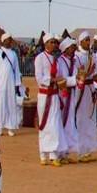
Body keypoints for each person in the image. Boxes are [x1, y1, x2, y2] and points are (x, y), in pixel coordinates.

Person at [34, 34, 66, 166]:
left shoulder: (55, 59)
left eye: (55, 42)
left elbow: (60, 77)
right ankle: (43, 154)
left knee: (54, 124)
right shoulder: (40, 58)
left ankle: (53, 154)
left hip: (54, 96)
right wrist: (52, 80)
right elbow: (39, 78)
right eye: (52, 42)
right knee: (44, 124)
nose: (54, 44)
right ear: (46, 43)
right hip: (44, 96)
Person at [74, 31, 97, 162]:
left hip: (90, 89)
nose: (88, 42)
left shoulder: (93, 56)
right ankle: (80, 151)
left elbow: (96, 74)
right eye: (85, 40)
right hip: (80, 90)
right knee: (80, 119)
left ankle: (87, 150)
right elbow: (77, 74)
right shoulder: (76, 57)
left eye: (88, 39)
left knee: (90, 119)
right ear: (80, 42)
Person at [0, 33, 23, 136]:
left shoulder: (13, 54)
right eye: (8, 40)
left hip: (11, 83)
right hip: (0, 84)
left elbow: (17, 70)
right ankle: (0, 127)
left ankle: (10, 127)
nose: (10, 41)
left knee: (10, 104)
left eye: (10, 40)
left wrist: (17, 84)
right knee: (1, 104)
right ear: (3, 41)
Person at [57, 37, 79, 164]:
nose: (74, 49)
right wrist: (74, 80)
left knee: (69, 122)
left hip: (72, 95)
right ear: (66, 49)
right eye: (71, 47)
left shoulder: (73, 62)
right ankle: (59, 153)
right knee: (61, 122)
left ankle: (66, 152)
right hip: (62, 95)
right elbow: (60, 79)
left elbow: (76, 76)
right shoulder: (59, 62)